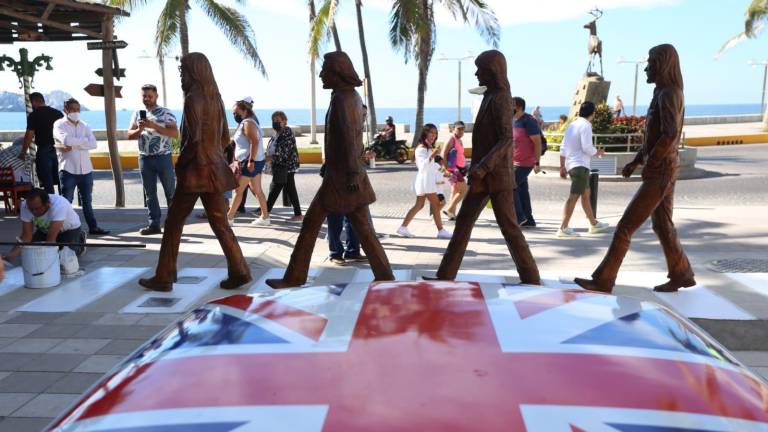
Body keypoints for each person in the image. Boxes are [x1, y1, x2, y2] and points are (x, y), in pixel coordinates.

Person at [266, 51, 394, 289]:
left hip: (343, 179)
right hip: (344, 177)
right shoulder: (349, 96)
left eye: (325, 70)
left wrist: (354, 173)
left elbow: (349, 139)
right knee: (362, 230)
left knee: (314, 224)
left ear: (337, 73)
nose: (322, 74)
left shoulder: (343, 99)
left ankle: (294, 277)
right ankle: (385, 276)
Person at [575, 44, 695, 294]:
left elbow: (670, 134)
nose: (646, 68)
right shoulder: (663, 93)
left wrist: (650, 163)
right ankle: (681, 272)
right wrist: (635, 161)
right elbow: (654, 138)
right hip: (664, 166)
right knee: (662, 225)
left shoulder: (669, 94)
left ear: (662, 64)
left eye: (650, 62)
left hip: (661, 170)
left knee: (625, 226)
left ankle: (604, 280)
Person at [139, 52, 251, 292]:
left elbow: (194, 139)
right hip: (214, 169)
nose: (181, 76)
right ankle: (239, 270)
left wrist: (181, 163)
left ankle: (165, 275)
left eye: (183, 71)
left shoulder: (193, 98)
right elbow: (222, 138)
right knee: (220, 223)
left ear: (194, 72)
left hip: (195, 171)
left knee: (173, 222)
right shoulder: (216, 98)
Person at [425, 50, 540, 284]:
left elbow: (506, 139)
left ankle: (530, 276)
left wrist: (484, 166)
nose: (477, 73)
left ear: (493, 71)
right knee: (464, 224)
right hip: (483, 176)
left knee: (509, 227)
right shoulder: (491, 96)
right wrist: (474, 166)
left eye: (481, 69)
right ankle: (445, 274)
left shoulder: (500, 98)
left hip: (495, 177)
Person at [128, 84, 179, 236]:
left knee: (170, 192)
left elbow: (175, 133)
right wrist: (140, 129)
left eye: (149, 96)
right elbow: (130, 135)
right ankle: (154, 224)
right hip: (144, 158)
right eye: (144, 96)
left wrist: (153, 125)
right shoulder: (137, 113)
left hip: (163, 157)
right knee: (149, 193)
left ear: (156, 96)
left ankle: (174, 224)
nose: (147, 99)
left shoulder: (165, 113)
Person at [52, 98, 109, 236]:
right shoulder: (59, 124)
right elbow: (66, 140)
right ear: (66, 109)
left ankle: (93, 227)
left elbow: (94, 144)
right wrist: (84, 142)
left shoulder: (85, 125)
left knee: (87, 201)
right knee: (66, 202)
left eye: (78, 109)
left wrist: (75, 144)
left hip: (86, 170)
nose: (76, 112)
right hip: (68, 170)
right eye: (72, 109)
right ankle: (62, 229)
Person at [557, 101, 609, 237]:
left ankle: (594, 224)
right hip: (580, 165)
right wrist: (598, 152)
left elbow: (563, 148)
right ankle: (563, 228)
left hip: (572, 165)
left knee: (586, 195)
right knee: (574, 197)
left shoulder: (571, 125)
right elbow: (587, 147)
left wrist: (562, 166)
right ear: (592, 113)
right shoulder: (586, 125)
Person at [396, 124, 452, 239]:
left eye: (435, 133)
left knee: (419, 205)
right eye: (431, 132)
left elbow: (433, 165)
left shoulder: (428, 147)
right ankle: (441, 230)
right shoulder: (421, 148)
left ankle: (403, 227)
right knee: (436, 204)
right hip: (426, 181)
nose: (433, 135)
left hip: (426, 181)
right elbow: (423, 166)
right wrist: (433, 154)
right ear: (425, 133)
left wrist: (443, 171)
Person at [3, 188, 86, 260]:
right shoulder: (25, 206)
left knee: (65, 257)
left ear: (48, 203)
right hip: (44, 230)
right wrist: (10, 257)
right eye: (31, 209)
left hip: (69, 229)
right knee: (30, 251)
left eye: (37, 208)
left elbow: (51, 238)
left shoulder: (60, 205)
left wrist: (46, 261)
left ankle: (80, 242)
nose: (34, 212)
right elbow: (26, 236)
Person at [226, 98, 270, 226]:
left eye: (236, 112)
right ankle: (265, 217)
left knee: (238, 192)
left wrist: (250, 161)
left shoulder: (248, 123)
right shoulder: (247, 122)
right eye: (233, 113)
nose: (234, 115)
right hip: (254, 161)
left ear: (245, 111)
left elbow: (254, 142)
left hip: (249, 162)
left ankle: (229, 218)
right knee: (257, 190)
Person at [20, 92, 63, 193]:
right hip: (59, 149)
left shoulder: (34, 115)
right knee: (61, 178)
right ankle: (63, 203)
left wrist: (23, 152)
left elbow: (29, 135)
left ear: (34, 102)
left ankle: (51, 203)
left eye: (30, 103)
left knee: (47, 179)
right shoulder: (58, 113)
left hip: (44, 149)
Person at [264, 111, 302, 222]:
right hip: (282, 166)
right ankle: (298, 214)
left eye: (277, 120)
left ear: (284, 121)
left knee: (277, 187)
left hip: (286, 166)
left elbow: (285, 152)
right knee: (287, 188)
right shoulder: (277, 133)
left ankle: (265, 211)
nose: (275, 122)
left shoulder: (286, 132)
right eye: (273, 120)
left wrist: (269, 158)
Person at [512, 96, 543, 227]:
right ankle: (529, 220)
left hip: (526, 163)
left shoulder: (528, 121)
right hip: (515, 162)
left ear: (518, 107)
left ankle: (519, 217)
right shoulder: (514, 121)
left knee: (510, 187)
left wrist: (537, 163)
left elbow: (537, 142)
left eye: (510, 105)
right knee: (522, 190)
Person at [441, 121, 468, 221]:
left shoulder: (459, 140)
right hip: (453, 170)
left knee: (455, 191)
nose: (461, 131)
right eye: (459, 129)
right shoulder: (451, 139)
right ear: (453, 129)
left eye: (463, 129)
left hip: (459, 169)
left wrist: (465, 165)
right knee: (464, 190)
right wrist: (445, 170)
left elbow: (460, 155)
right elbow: (443, 154)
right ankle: (449, 209)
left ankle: (452, 214)